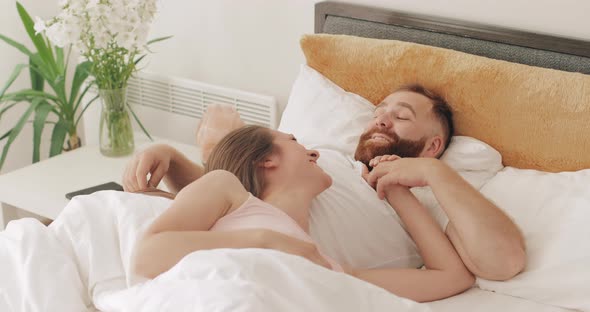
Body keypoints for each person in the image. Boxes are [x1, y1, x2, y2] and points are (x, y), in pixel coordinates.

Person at [123, 84, 526, 281]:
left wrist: (432, 176)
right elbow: (243, 202)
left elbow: (502, 261)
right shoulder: (324, 159)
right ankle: (224, 144)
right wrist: (173, 161)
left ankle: (223, 144)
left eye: (401, 116)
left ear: (433, 145)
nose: (381, 119)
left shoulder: (435, 202)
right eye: (378, 112)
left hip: (306, 275)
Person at [132, 125, 475, 302]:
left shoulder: (329, 267)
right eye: (294, 140)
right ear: (265, 159)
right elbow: (147, 257)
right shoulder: (226, 191)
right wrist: (264, 241)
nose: (313, 151)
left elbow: (453, 277)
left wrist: (398, 191)